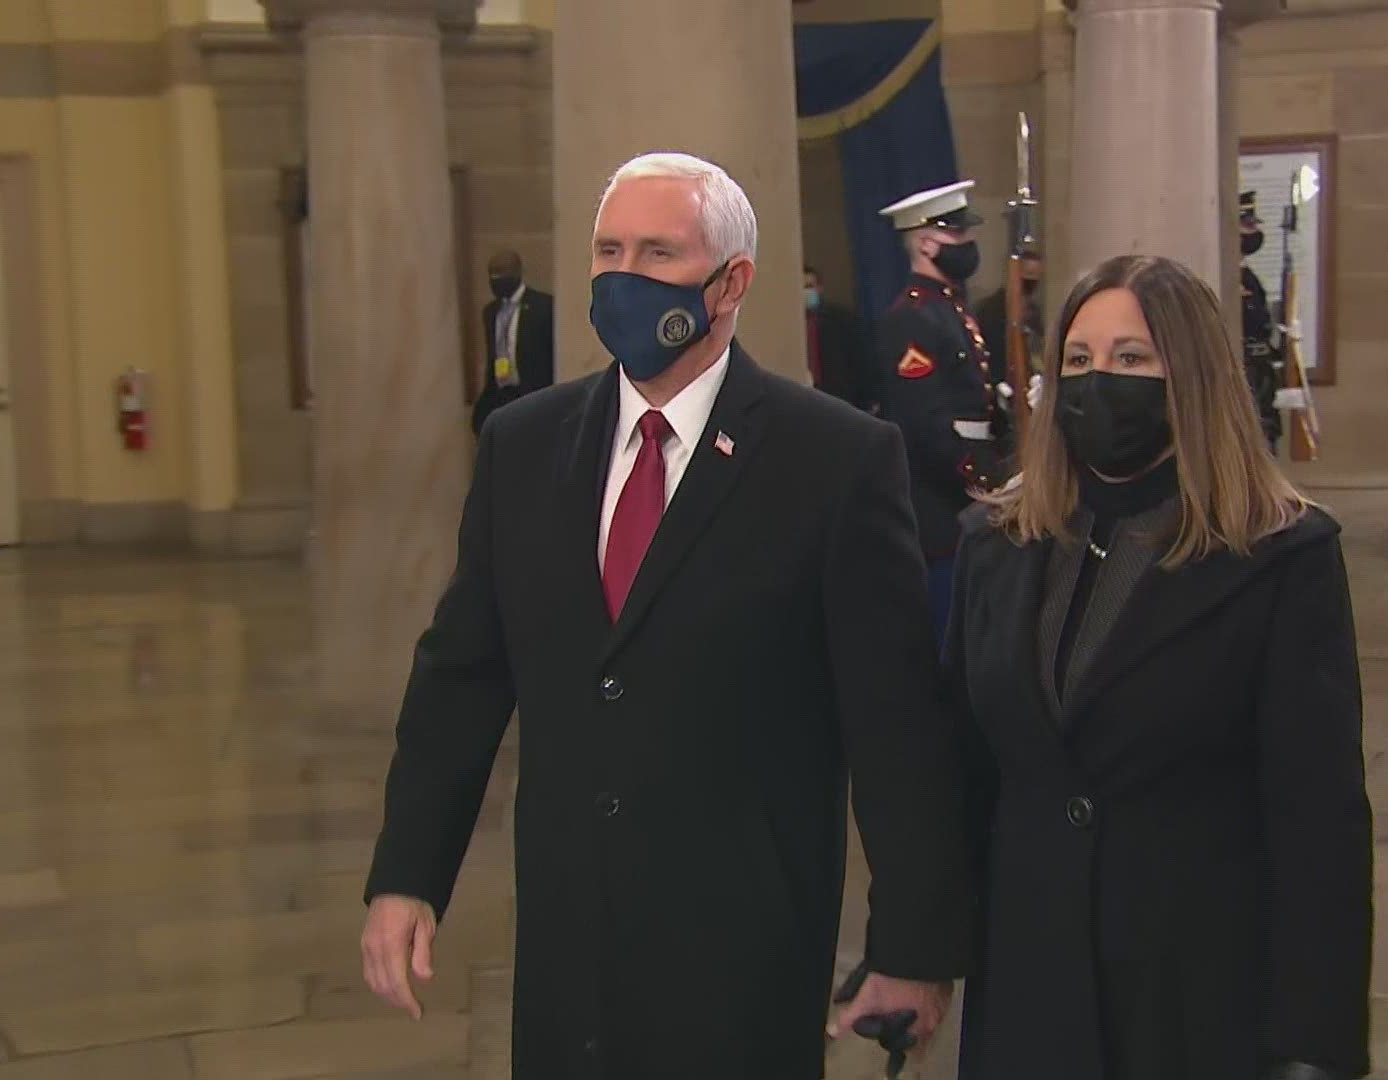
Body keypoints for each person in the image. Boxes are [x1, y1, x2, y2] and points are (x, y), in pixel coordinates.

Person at [359, 152, 973, 1080]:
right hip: (570, 955)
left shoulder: (834, 463)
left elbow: (896, 731)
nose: (624, 277)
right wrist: (408, 875)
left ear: (732, 283)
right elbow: (459, 682)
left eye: (658, 252)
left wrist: (914, 949)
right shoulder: (523, 448)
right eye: (609, 250)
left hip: (743, 955)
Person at [949, 254, 1373, 1080]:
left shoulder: (1279, 556)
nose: (1098, 380)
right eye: (1078, 360)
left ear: (1191, 377)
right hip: (1031, 984)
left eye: (1131, 359)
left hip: (1195, 992)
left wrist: (1316, 1040)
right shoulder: (997, 544)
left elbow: (1317, 817)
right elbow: (960, 770)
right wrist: (920, 950)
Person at [872, 179, 1011, 643]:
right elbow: (926, 423)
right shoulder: (912, 317)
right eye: (956, 234)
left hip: (969, 496)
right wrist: (983, 482)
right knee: (953, 631)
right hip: (944, 505)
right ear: (927, 242)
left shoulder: (949, 310)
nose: (968, 243)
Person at [470, 250, 555, 435]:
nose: (496, 279)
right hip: (501, 394)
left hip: (533, 394)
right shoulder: (491, 312)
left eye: (501, 273)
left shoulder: (543, 307)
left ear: (517, 272)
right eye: (492, 274)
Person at [1238, 191, 1283, 449]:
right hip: (1247, 371)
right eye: (1247, 224)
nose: (1254, 231)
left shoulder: (1248, 276)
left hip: (1259, 370)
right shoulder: (1234, 276)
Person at [973, 247, 1045, 389]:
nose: (1031, 280)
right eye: (1028, 273)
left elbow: (1037, 351)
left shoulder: (1033, 312)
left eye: (1036, 275)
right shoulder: (990, 310)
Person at [803, 264, 866, 407]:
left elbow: (859, 359)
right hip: (806, 396)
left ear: (819, 288)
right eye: (801, 287)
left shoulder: (841, 320)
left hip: (840, 396)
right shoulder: (791, 324)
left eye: (809, 286)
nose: (805, 292)